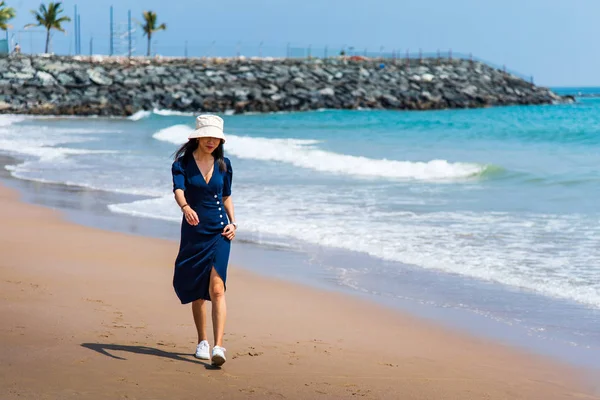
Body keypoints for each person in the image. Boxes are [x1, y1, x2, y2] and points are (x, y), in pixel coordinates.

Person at [171, 114, 237, 367]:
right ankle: (203, 341)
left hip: (220, 230)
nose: (212, 141)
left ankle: (219, 346)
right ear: (198, 137)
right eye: (208, 136)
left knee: (217, 288)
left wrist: (233, 223)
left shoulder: (224, 164)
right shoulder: (182, 164)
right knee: (199, 291)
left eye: (216, 138)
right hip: (194, 229)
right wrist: (185, 207)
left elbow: (227, 196)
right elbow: (178, 189)